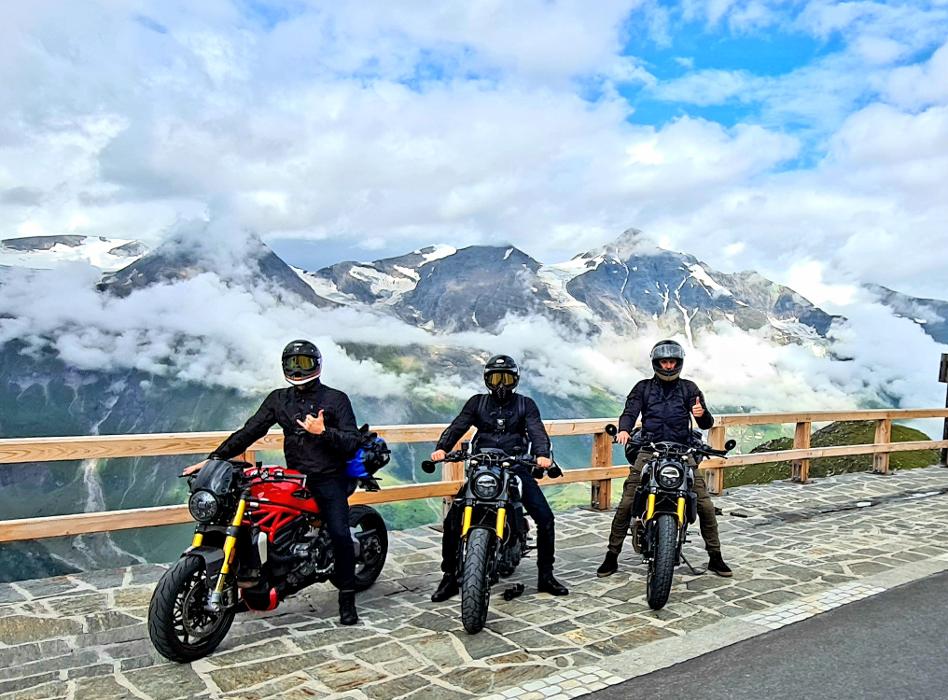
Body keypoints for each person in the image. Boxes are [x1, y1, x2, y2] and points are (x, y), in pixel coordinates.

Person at [183, 340, 364, 625]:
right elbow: (250, 431)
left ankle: (347, 596)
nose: (297, 369)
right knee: (257, 520)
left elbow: (352, 442)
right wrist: (215, 458)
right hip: (293, 477)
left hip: (329, 477)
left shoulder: (336, 399)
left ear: (317, 365)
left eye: (303, 362)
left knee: (340, 533)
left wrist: (323, 431)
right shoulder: (279, 399)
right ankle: (256, 581)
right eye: (292, 363)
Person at [429, 355, 570, 601]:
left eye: (506, 378)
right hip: (482, 468)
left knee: (546, 518)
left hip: (515, 466)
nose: (501, 384)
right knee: (452, 521)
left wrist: (542, 455)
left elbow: (536, 430)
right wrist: (442, 447)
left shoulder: (525, 405)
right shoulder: (477, 403)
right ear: (487, 380)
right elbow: (458, 425)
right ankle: (449, 577)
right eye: (496, 378)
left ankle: (546, 575)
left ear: (515, 380)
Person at [597, 339, 732, 578]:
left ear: (678, 363)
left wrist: (702, 414)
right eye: (664, 362)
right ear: (656, 363)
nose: (668, 366)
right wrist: (624, 430)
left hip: (684, 451)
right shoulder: (643, 388)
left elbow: (706, 423)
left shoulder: (689, 388)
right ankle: (612, 555)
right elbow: (630, 412)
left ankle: (715, 556)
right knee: (627, 502)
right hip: (649, 449)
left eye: (672, 362)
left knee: (705, 505)